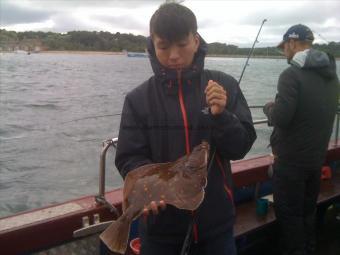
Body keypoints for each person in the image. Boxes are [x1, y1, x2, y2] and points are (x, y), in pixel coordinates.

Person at [115, 3, 256, 255]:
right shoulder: (137, 99)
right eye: (163, 46)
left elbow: (240, 147)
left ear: (196, 39)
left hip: (216, 228)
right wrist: (146, 191)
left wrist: (222, 116)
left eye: (181, 44)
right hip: (160, 232)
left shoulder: (224, 85)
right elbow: (129, 157)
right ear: (152, 44)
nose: (173, 56)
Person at [263, 24, 339, 255]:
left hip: (290, 166)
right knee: (307, 215)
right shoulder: (331, 76)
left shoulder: (290, 75)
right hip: (315, 162)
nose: (284, 52)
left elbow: (282, 118)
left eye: (284, 47)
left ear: (293, 43)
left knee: (290, 219)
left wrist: (269, 108)